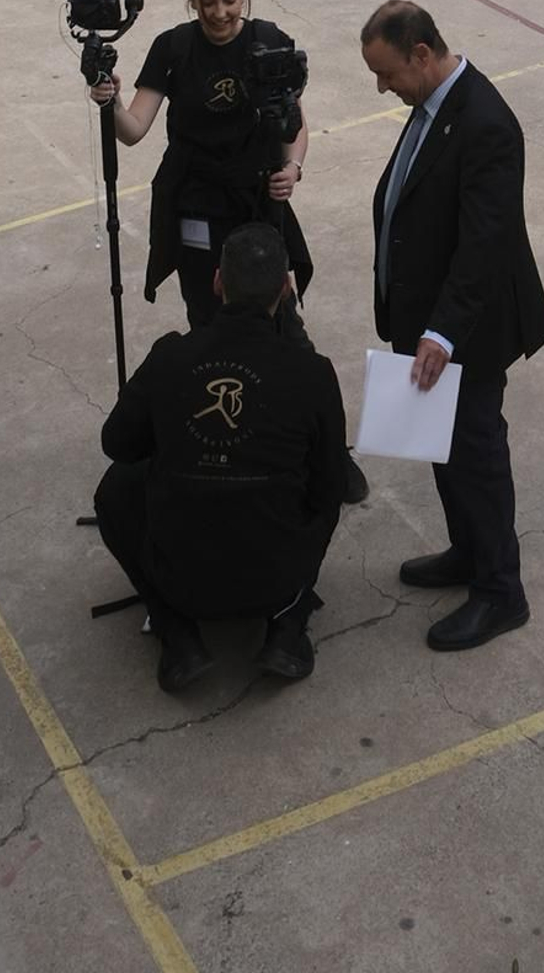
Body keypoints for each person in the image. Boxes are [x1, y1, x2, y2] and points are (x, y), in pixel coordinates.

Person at [359, 0, 544, 651]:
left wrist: (441, 331)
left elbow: (485, 243)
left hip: (469, 329)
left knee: (476, 453)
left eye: (387, 73)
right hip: (429, 322)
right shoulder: (433, 108)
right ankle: (468, 551)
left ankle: (501, 590)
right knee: (443, 446)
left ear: (421, 53)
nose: (383, 87)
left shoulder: (486, 122)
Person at [92, 222, 351, 692]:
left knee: (115, 489)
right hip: (275, 575)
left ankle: (177, 633)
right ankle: (288, 626)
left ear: (217, 282)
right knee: (334, 483)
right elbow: (331, 485)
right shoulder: (312, 374)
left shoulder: (171, 356)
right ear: (287, 289)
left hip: (182, 579)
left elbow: (118, 444)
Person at [91, 0, 312, 328]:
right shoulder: (172, 47)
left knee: (274, 316)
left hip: (255, 205)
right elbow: (133, 130)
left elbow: (294, 122)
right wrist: (111, 102)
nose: (220, 12)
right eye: (207, 2)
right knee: (206, 313)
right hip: (195, 205)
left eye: (229, 0)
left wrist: (292, 168)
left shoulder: (270, 39)